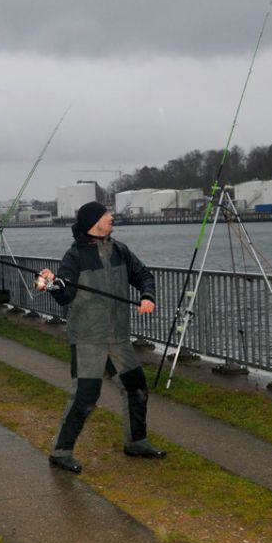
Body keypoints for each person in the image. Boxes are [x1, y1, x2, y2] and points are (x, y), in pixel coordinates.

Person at [35, 201, 165, 473]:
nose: (112, 216)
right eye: (107, 214)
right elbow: (65, 294)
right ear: (96, 222)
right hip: (88, 339)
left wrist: (147, 295)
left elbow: (143, 275)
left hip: (117, 339)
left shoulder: (120, 250)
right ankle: (61, 452)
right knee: (86, 396)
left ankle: (136, 442)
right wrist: (50, 284)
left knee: (136, 387)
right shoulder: (75, 256)